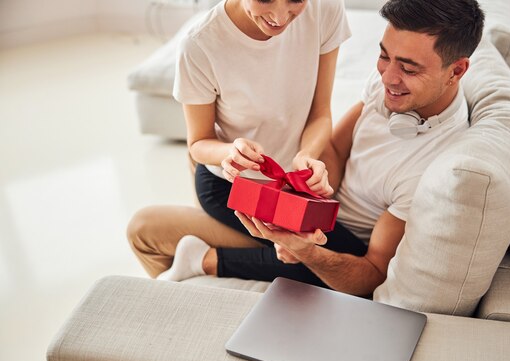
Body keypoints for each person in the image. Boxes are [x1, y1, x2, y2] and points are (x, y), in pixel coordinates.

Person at [128, 0, 485, 296]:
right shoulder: (390, 87)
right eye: (383, 57)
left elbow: (371, 271)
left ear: (456, 71)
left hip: (287, 193)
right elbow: (336, 149)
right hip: (241, 179)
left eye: (407, 68)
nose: (388, 77)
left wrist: (304, 233)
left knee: (146, 229)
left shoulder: (434, 167)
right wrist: (311, 177)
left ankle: (205, 261)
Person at [126, 0, 350, 275]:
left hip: (291, 184)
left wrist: (306, 154)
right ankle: (204, 260)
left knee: (343, 262)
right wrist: (230, 152)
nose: (280, 17)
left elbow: (321, 114)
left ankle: (204, 258)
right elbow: (198, 144)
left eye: (295, 0)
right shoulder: (200, 44)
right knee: (339, 263)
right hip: (231, 187)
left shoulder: (324, 8)